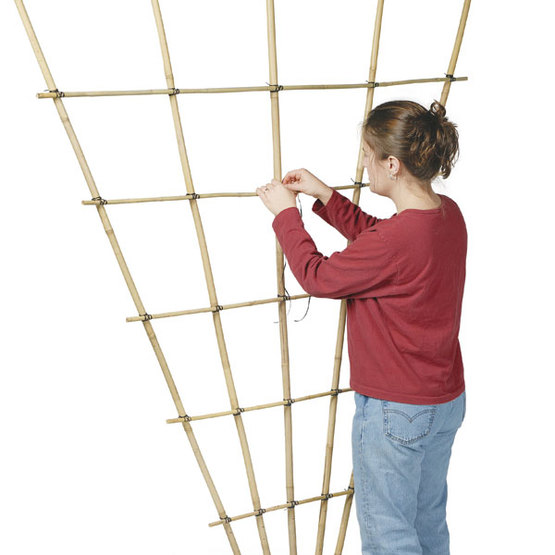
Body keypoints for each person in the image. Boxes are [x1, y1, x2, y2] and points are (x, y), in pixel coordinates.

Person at [256, 99, 467, 554]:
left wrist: (285, 215)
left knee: (389, 535)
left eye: (369, 155)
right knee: (427, 523)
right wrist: (325, 198)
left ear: (392, 164)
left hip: (397, 411)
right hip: (443, 401)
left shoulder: (395, 241)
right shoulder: (447, 215)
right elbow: (381, 242)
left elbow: (317, 276)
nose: (364, 163)